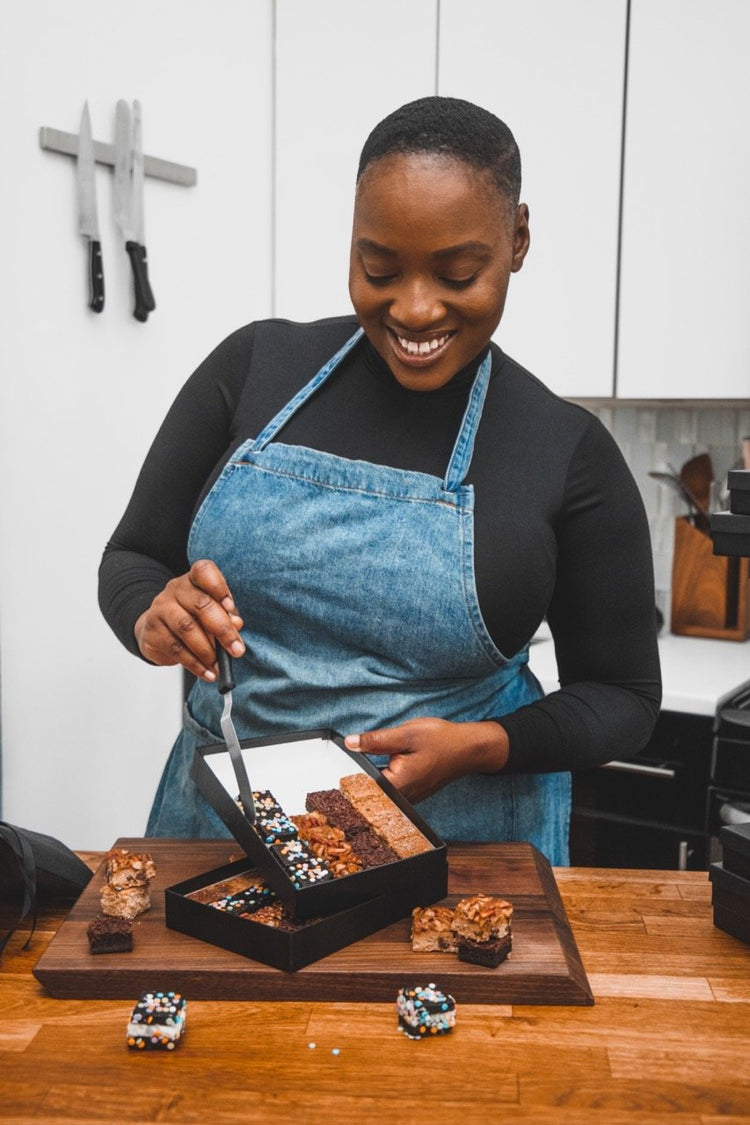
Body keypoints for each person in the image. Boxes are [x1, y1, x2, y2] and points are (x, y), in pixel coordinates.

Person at [98, 96, 661, 865]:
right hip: (219, 840)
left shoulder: (566, 452)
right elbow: (131, 557)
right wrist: (150, 614)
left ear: (518, 239)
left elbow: (624, 697)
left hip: (459, 854)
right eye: (379, 268)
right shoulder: (253, 369)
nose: (415, 307)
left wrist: (482, 745)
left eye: (459, 272)